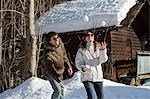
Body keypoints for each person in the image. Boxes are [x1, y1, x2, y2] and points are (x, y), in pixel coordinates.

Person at [75, 31, 108, 99]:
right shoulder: (81, 50)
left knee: (101, 97)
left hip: (98, 76)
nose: (90, 37)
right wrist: (82, 68)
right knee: (92, 97)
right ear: (85, 38)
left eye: (91, 35)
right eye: (88, 35)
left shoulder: (99, 47)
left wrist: (103, 50)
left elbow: (103, 60)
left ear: (93, 37)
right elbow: (78, 62)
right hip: (87, 76)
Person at [42, 31, 73, 99]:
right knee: (57, 90)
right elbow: (50, 68)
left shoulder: (61, 45)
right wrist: (57, 77)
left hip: (59, 70)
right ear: (50, 41)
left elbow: (64, 56)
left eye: (57, 38)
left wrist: (69, 67)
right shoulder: (48, 53)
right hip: (50, 72)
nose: (57, 40)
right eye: (54, 39)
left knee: (61, 90)